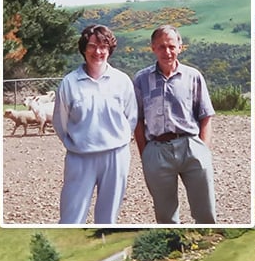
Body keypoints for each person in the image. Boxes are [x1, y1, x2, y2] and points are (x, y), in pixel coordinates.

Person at [53, 24, 137, 224]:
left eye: (103, 47)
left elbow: (131, 117)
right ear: (83, 49)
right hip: (80, 159)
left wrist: (117, 141)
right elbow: (60, 123)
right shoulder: (70, 83)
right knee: (70, 219)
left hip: (116, 156)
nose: (97, 52)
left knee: (108, 220)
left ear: (109, 50)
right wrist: (78, 144)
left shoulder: (122, 81)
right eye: (91, 46)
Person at [133, 25, 217, 224]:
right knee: (165, 217)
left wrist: (203, 150)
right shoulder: (141, 79)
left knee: (206, 213)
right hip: (157, 150)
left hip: (190, 146)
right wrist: (146, 153)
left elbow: (206, 115)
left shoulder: (193, 76)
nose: (167, 51)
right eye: (161, 47)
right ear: (153, 48)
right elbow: (137, 119)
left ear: (180, 47)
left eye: (171, 46)